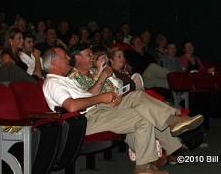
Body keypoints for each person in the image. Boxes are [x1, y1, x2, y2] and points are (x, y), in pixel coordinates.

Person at [42, 47, 203, 174]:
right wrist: (101, 98)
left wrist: (108, 97)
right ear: (55, 63)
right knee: (140, 116)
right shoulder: (53, 83)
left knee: (138, 96)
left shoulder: (64, 81)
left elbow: (86, 95)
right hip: (86, 120)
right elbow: (71, 106)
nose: (68, 58)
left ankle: (173, 121)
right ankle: (144, 166)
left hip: (98, 110)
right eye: (65, 57)